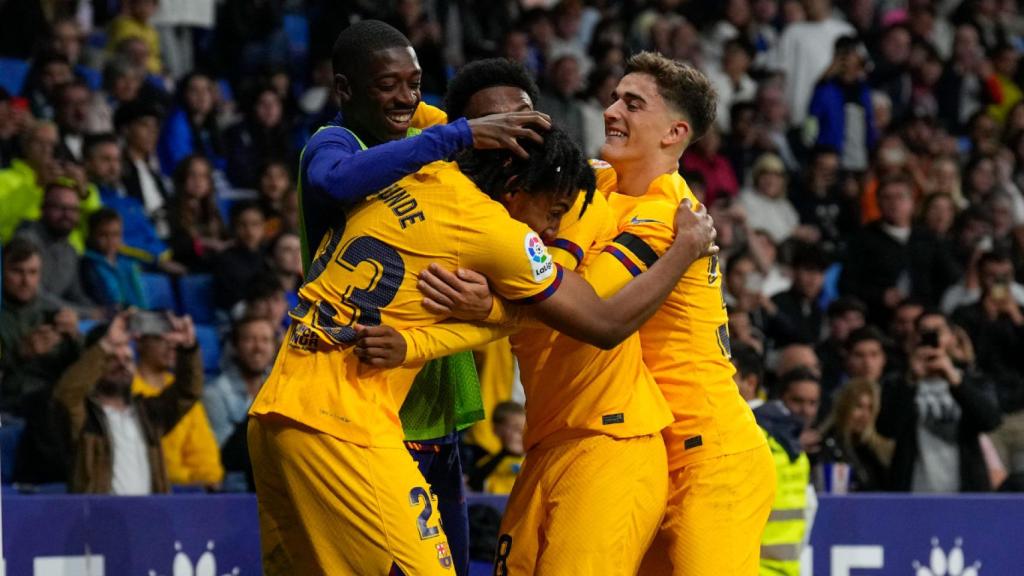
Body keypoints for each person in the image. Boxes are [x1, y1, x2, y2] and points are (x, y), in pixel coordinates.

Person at [248, 118, 713, 576]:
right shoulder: (498, 233)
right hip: (343, 422)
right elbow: (601, 321)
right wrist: (683, 250)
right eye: (553, 211)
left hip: (276, 408)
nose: (552, 229)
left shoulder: (423, 174)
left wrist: (424, 338)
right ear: (514, 188)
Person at [288, 22, 558, 576]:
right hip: (365, 390)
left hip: (434, 392)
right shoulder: (339, 143)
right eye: (388, 84)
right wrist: (458, 134)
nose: (405, 97)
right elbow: (335, 182)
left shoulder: (429, 141)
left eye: (414, 83)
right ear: (345, 89)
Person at [594, 52, 772, 576]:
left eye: (632, 104)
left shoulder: (668, 214)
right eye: (614, 98)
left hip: (712, 455)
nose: (611, 111)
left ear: (675, 133)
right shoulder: (604, 186)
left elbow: (591, 311)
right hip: (650, 456)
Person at [53, 312, 202, 494]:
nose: (122, 365)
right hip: (99, 511)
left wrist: (188, 348)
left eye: (128, 360)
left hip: (149, 510)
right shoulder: (84, 416)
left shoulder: (147, 413)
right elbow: (66, 394)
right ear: (95, 364)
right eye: (112, 359)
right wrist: (107, 344)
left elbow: (188, 391)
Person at [877, 311, 1003, 491]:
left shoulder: (974, 380)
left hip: (965, 490)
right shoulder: (898, 383)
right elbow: (887, 429)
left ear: (952, 337)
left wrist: (955, 381)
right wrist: (911, 381)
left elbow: (990, 421)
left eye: (938, 331)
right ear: (914, 338)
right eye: (924, 332)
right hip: (913, 492)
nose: (931, 337)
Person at [952, 250, 1024, 478]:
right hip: (985, 414)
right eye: (993, 276)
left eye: (1005, 276)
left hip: (1021, 410)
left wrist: (1018, 321)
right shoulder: (964, 315)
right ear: (980, 277)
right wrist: (988, 320)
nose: (999, 282)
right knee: (994, 482)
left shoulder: (1021, 314)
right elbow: (969, 362)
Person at [132, 324, 223, 487]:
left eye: (173, 339)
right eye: (161, 338)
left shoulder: (184, 393)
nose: (171, 345)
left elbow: (202, 449)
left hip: (189, 490)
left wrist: (207, 479)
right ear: (139, 341)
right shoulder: (124, 388)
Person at [0, 238, 81, 414]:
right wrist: (19, 353)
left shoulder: (54, 313)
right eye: (17, 271)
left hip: (52, 404)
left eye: (33, 272)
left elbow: (81, 371)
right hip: (9, 406)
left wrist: (75, 337)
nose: (26, 281)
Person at [753, 367, 816, 576]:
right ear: (780, 399)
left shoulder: (757, 440)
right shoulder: (797, 453)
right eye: (798, 401)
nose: (805, 410)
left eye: (812, 403)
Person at [14, 180, 97, 315]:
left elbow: (75, 295)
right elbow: (33, 295)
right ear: (43, 209)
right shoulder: (25, 241)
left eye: (73, 209)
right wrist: (85, 313)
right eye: (60, 207)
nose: (67, 215)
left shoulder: (70, 250)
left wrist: (98, 312)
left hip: (60, 318)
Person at [204, 316, 278, 446]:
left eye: (265, 340)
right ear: (235, 346)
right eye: (249, 339)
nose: (258, 347)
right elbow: (225, 452)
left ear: (274, 348)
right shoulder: (214, 394)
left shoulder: (280, 386)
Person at [818, 379, 891, 492]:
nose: (865, 415)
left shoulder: (876, 451)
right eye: (859, 406)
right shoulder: (825, 446)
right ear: (844, 408)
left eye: (870, 408)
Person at [80, 208, 148, 311]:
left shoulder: (128, 263)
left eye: (116, 234)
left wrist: (143, 312)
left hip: (134, 314)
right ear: (91, 235)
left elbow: (138, 294)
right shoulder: (87, 264)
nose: (110, 240)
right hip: (106, 316)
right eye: (103, 235)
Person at [466, 401, 525, 495]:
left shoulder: (533, 460)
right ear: (497, 430)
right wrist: (507, 453)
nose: (521, 433)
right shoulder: (486, 463)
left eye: (525, 428)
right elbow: (474, 483)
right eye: (515, 428)